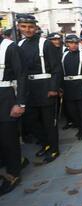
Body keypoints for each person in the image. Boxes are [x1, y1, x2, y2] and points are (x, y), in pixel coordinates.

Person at [17, 14, 62, 164]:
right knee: (31, 121)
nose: (27, 29)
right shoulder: (19, 44)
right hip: (29, 89)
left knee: (49, 122)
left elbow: (56, 68)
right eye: (24, 26)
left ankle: (54, 149)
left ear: (36, 27)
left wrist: (53, 87)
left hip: (45, 87)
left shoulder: (45, 43)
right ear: (19, 27)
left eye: (30, 27)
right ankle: (45, 143)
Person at [0, 29, 27, 196]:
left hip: (6, 97)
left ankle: (13, 173)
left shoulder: (10, 47)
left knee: (8, 138)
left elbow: (21, 75)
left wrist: (20, 103)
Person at [61, 35, 82, 141]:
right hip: (67, 86)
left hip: (79, 85)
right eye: (71, 43)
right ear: (67, 44)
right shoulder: (64, 55)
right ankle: (78, 124)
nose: (73, 45)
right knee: (71, 110)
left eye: (75, 43)